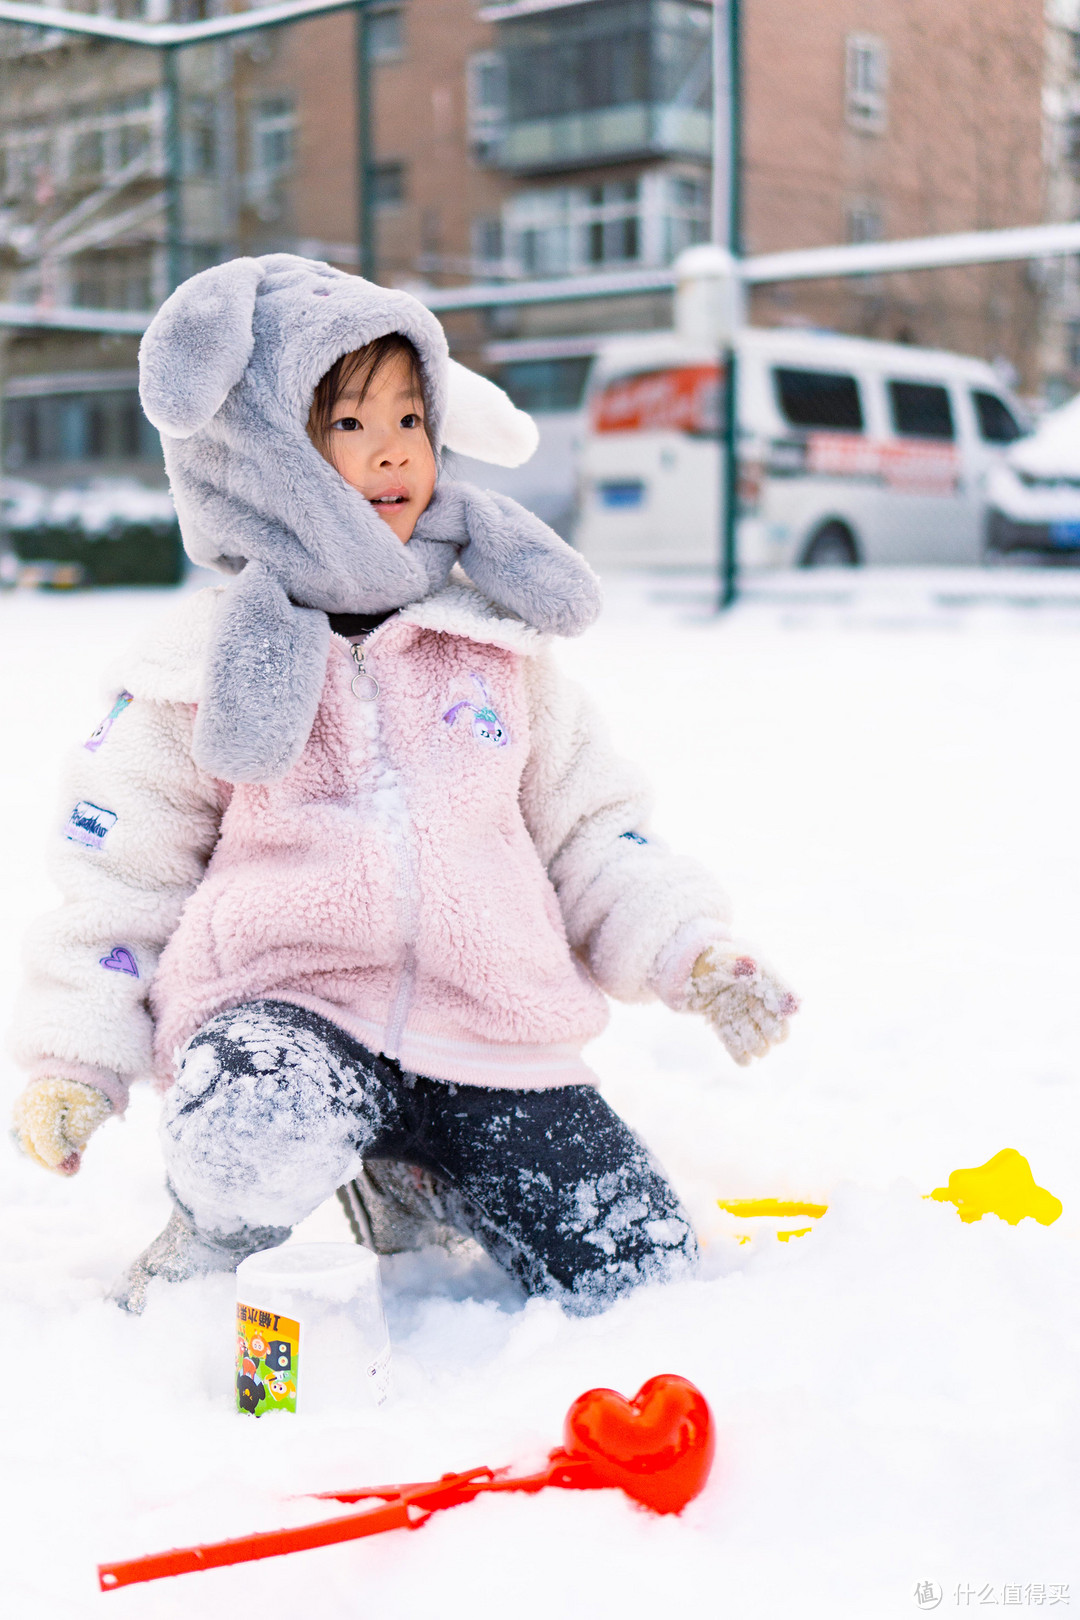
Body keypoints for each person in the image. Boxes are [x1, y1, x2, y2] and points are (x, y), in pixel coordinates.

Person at [10, 254, 797, 1317]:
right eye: (345, 424)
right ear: (259, 456)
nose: (389, 451)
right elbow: (119, 872)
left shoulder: (493, 649)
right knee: (251, 1123)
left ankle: (418, 1177)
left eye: (411, 419)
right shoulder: (192, 668)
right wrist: (77, 1056)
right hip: (287, 1015)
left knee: (637, 1268)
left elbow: (596, 833)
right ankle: (212, 1240)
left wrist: (689, 948)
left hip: (492, 1034)